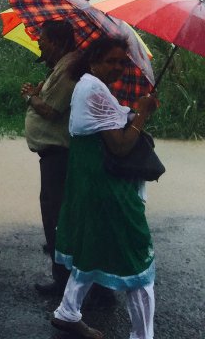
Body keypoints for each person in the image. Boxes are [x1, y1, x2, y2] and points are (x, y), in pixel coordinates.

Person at [50, 37, 160, 339]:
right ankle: (143, 335)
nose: (118, 67)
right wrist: (143, 114)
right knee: (137, 263)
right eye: (111, 60)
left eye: (122, 62)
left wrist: (135, 111)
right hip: (108, 188)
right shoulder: (95, 90)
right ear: (94, 61)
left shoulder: (88, 85)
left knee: (93, 248)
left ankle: (67, 312)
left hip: (90, 184)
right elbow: (121, 145)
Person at [19, 19, 80, 296]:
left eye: (42, 39)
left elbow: (52, 111)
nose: (39, 42)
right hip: (53, 155)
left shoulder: (69, 68)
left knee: (55, 215)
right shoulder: (62, 66)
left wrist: (32, 98)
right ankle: (66, 277)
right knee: (56, 212)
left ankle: (64, 281)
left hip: (59, 156)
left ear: (58, 41)